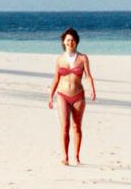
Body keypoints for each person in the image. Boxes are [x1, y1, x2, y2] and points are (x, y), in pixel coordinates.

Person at [47, 27, 96, 165]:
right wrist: (50, 96)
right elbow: (56, 78)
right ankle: (65, 157)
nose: (70, 42)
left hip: (78, 96)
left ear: (77, 42)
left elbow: (88, 76)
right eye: (68, 40)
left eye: (73, 40)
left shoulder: (83, 58)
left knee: (77, 127)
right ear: (63, 42)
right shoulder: (59, 59)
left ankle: (77, 156)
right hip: (62, 95)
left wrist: (92, 89)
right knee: (65, 127)